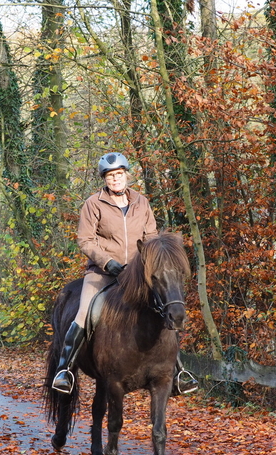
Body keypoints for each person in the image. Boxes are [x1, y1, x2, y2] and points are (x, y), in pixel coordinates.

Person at [51, 152, 199, 395]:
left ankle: (179, 372)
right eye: (110, 176)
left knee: (164, 311)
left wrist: (148, 264)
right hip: (102, 273)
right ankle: (64, 369)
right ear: (104, 179)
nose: (115, 179)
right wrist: (108, 262)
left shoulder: (142, 202)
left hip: (138, 274)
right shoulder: (93, 203)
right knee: (86, 312)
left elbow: (151, 238)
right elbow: (85, 240)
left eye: (119, 174)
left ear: (126, 175)